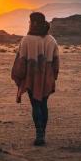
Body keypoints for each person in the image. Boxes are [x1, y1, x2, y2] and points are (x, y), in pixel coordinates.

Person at [11, 11, 60, 146]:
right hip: (47, 78)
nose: (29, 24)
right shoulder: (52, 40)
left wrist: (19, 77)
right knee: (43, 104)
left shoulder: (26, 40)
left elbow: (20, 62)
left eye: (30, 22)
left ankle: (39, 135)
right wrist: (52, 76)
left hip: (31, 79)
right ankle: (42, 133)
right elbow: (56, 63)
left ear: (34, 23)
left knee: (35, 104)